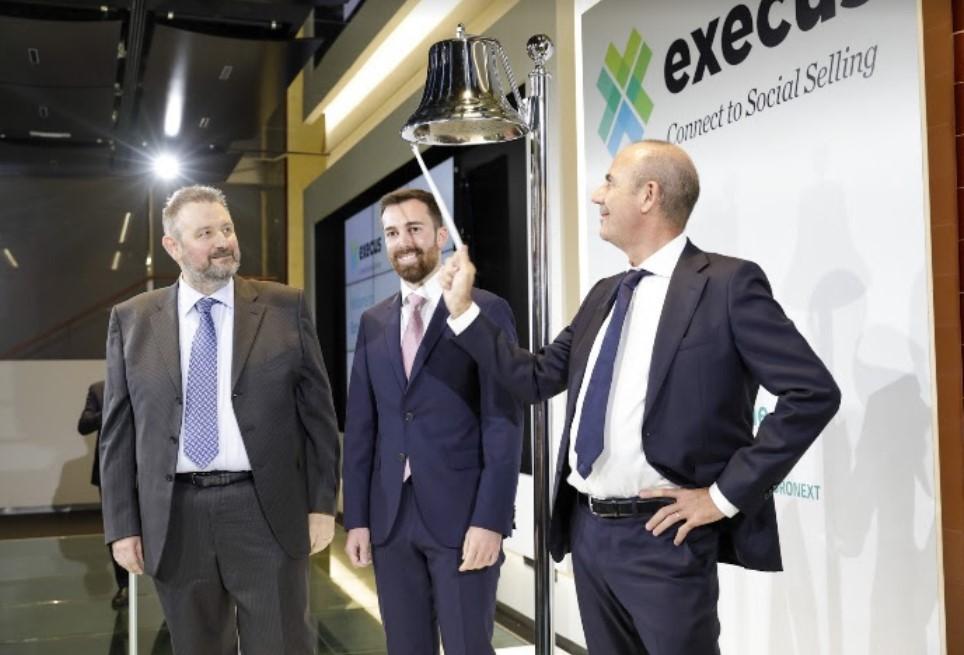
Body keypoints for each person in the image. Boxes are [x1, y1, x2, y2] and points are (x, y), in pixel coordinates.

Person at [440, 140, 841, 655]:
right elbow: (535, 378)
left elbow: (812, 392)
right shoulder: (604, 294)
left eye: (609, 182)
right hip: (588, 533)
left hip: (664, 539)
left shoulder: (727, 285)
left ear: (649, 195)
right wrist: (464, 311)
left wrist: (723, 496)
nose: (596, 195)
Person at [99, 184, 340, 655]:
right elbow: (117, 434)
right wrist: (122, 526)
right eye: (205, 233)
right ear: (173, 246)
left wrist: (321, 505)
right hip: (176, 518)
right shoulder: (132, 320)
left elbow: (319, 419)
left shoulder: (283, 307)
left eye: (226, 229)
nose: (223, 241)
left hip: (265, 511)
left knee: (282, 645)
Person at [342, 188, 524, 655]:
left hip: (463, 518)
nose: (403, 242)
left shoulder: (483, 309)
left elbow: (503, 423)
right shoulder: (373, 321)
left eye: (414, 229)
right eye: (391, 233)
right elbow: (362, 429)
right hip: (390, 520)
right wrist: (357, 519)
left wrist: (491, 519)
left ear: (441, 236)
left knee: (467, 646)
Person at [76, 379, 129, 610]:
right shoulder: (99, 389)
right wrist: (112, 407)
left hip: (150, 469)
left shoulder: (152, 381)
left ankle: (164, 589)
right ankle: (124, 585)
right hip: (110, 470)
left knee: (158, 529)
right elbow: (84, 425)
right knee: (117, 530)